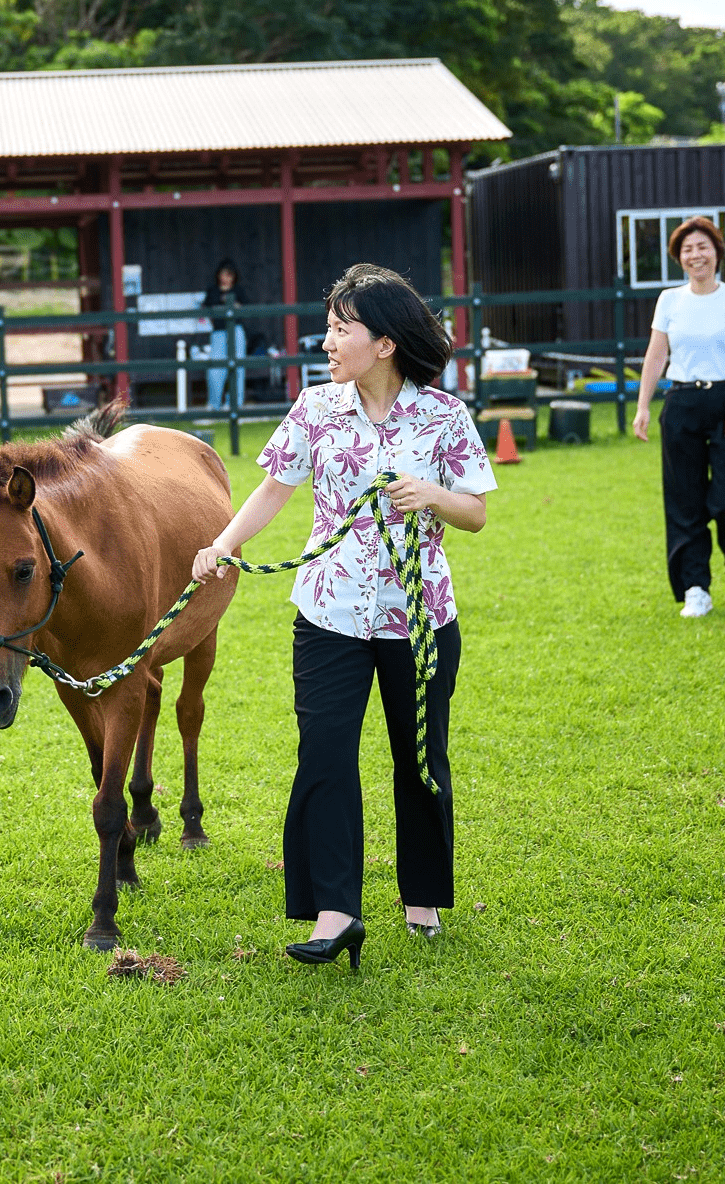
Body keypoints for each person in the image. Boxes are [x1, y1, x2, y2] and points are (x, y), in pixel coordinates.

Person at [192, 264, 497, 970]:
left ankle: (422, 897)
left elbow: (477, 511)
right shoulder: (316, 408)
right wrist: (223, 544)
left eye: (340, 328)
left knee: (419, 757)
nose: (326, 340)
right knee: (324, 755)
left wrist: (432, 496)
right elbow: (274, 488)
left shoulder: (444, 416)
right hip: (328, 611)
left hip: (418, 613)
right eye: (328, 327)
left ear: (384, 342)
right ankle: (335, 910)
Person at [631, 216, 725, 618]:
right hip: (682, 401)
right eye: (687, 249)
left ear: (717, 252)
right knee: (684, 500)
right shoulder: (670, 300)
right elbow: (657, 355)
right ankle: (695, 587)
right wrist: (643, 406)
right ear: (679, 258)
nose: (696, 255)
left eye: (702, 246)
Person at [202, 257, 247, 409]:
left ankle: (234, 403)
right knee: (215, 368)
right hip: (218, 332)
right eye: (223, 274)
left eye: (229, 274)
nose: (225, 278)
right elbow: (207, 308)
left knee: (238, 368)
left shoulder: (238, 290)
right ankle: (213, 404)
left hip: (236, 332)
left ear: (234, 276)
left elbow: (246, 308)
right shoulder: (212, 290)